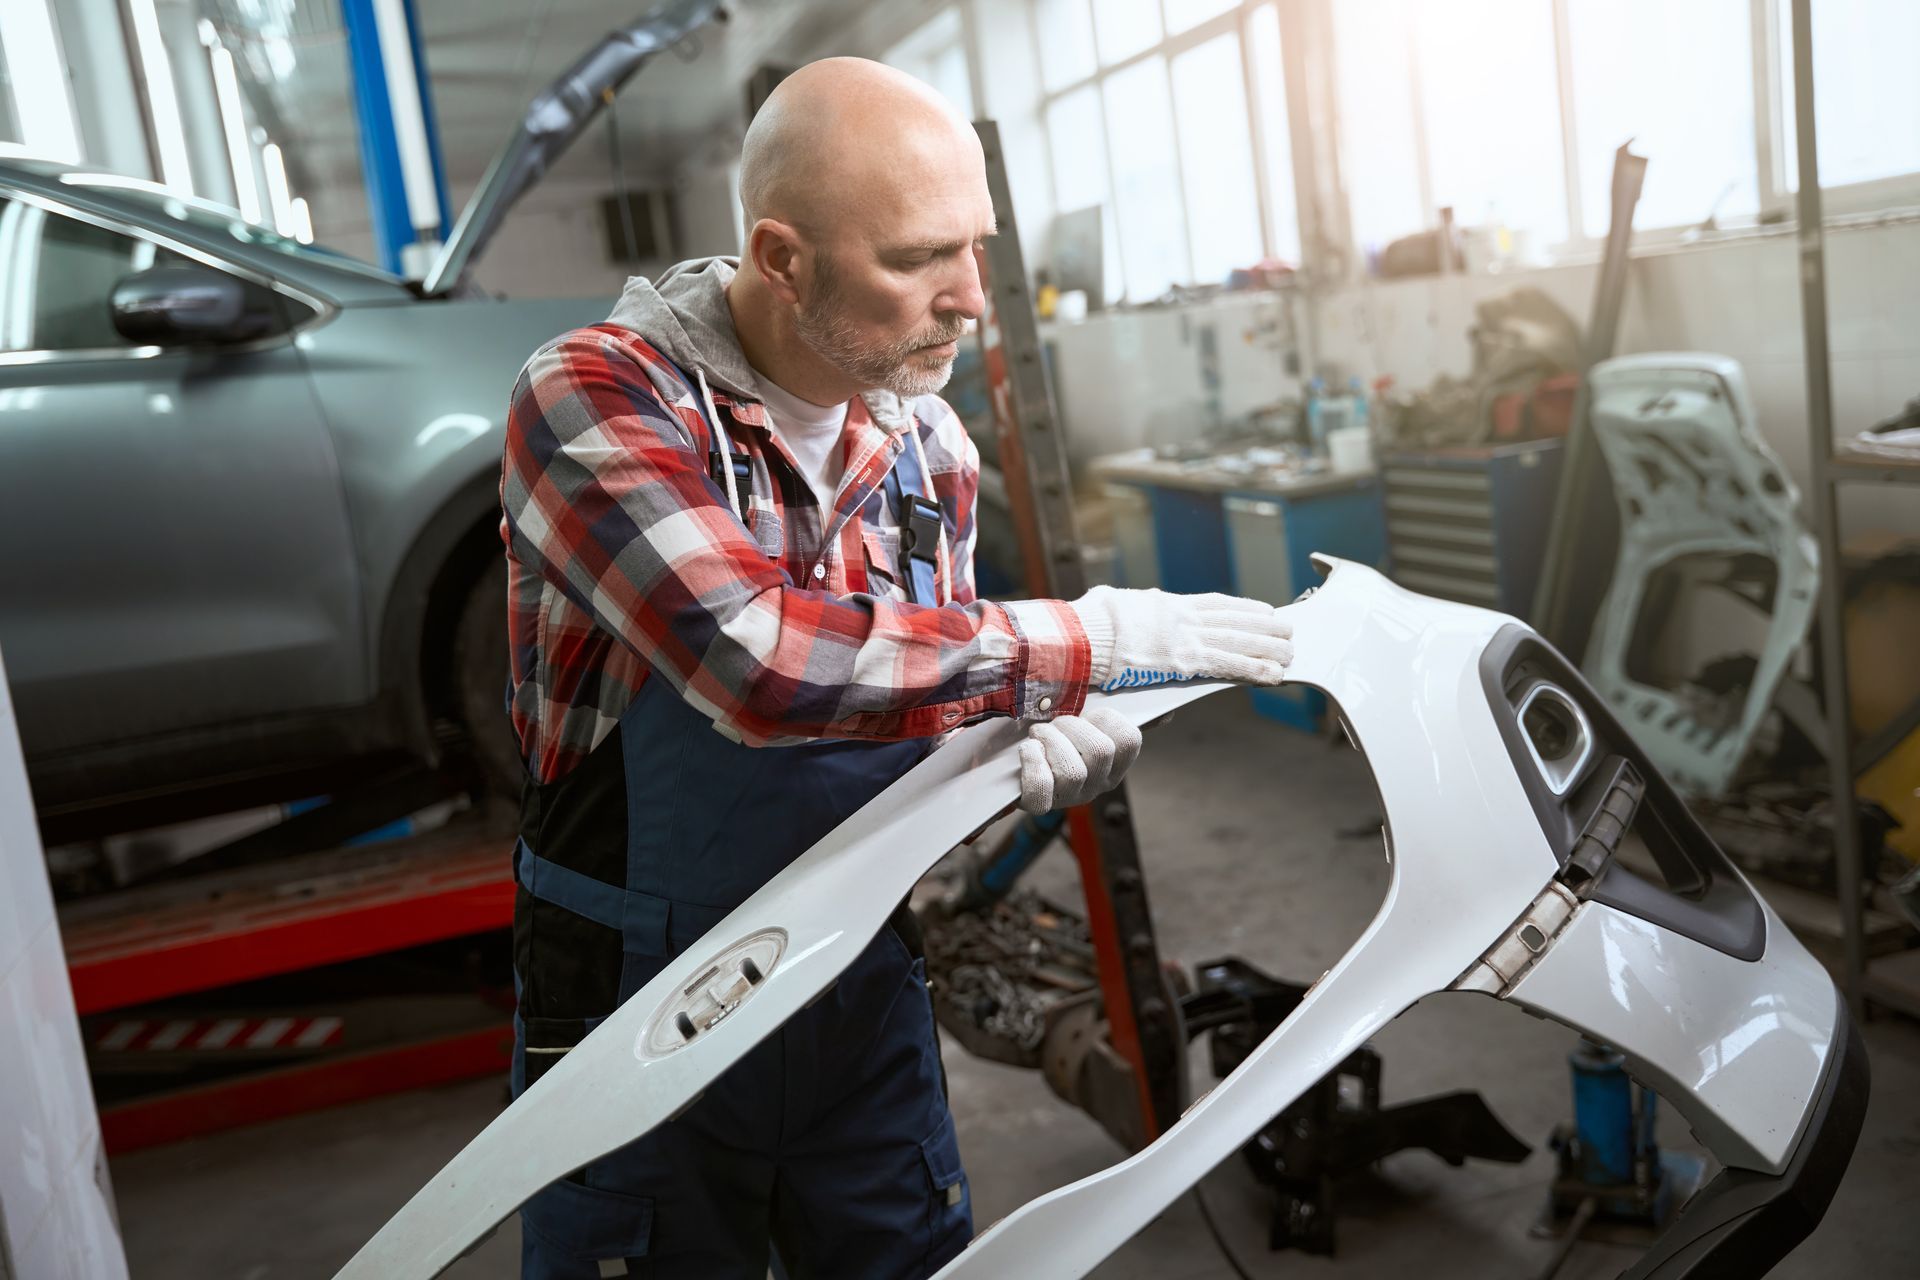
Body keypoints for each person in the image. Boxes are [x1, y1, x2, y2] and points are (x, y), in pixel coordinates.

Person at [499, 56, 1294, 1280]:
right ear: (782, 259)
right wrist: (1094, 641)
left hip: (855, 976)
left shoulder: (928, 445)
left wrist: (1007, 747)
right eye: (922, 258)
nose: (971, 297)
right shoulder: (598, 394)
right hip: (638, 996)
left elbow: (920, 682)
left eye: (975, 248)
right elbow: (762, 663)